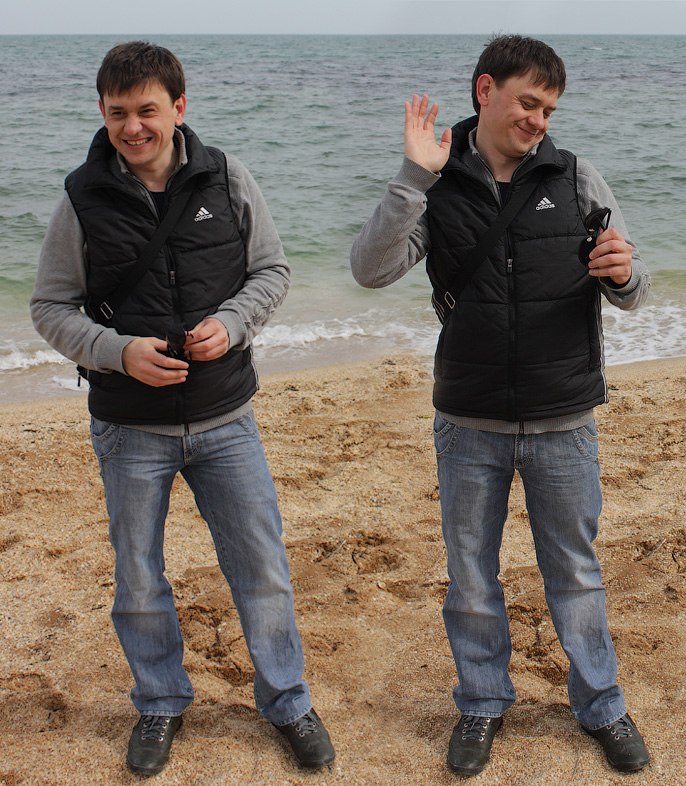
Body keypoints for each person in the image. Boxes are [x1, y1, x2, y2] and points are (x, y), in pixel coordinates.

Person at [30, 41, 335, 777]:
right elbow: (50, 306)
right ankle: (161, 701)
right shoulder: (80, 198)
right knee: (138, 576)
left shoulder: (228, 177)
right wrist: (116, 351)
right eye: (117, 114)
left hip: (227, 419)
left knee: (261, 566)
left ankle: (288, 701)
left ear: (179, 108)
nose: (132, 127)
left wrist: (231, 325)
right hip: (128, 428)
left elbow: (272, 271)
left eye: (147, 111)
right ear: (102, 112)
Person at [350, 35, 651, 778]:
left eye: (549, 110)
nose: (538, 120)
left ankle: (602, 706)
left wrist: (622, 274)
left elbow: (633, 289)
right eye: (528, 102)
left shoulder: (577, 177)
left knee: (575, 572)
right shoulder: (436, 182)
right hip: (469, 420)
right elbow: (370, 270)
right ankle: (482, 702)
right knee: (471, 577)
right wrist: (412, 176)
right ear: (485, 91)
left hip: (563, 420)